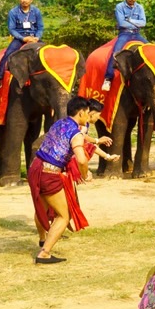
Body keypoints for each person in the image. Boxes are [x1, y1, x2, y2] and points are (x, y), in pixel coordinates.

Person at [30, 97, 116, 263]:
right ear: (82, 112)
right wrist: (84, 174)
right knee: (64, 215)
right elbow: (82, 159)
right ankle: (44, 253)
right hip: (50, 173)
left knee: (42, 207)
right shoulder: (76, 132)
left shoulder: (59, 123)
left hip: (36, 168)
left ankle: (42, 239)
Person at [0, 0, 44, 91]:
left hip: (34, 38)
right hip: (20, 38)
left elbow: (40, 27)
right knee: (8, 54)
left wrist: (37, 37)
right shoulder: (13, 12)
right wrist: (23, 38)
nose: (24, 1)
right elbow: (12, 29)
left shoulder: (36, 12)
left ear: (31, 0)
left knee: (48, 52)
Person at [101, 0, 149, 92]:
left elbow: (143, 23)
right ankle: (108, 78)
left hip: (137, 34)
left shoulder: (139, 7)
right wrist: (135, 23)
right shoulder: (120, 7)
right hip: (124, 34)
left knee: (151, 49)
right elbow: (122, 23)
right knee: (116, 52)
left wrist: (130, 21)